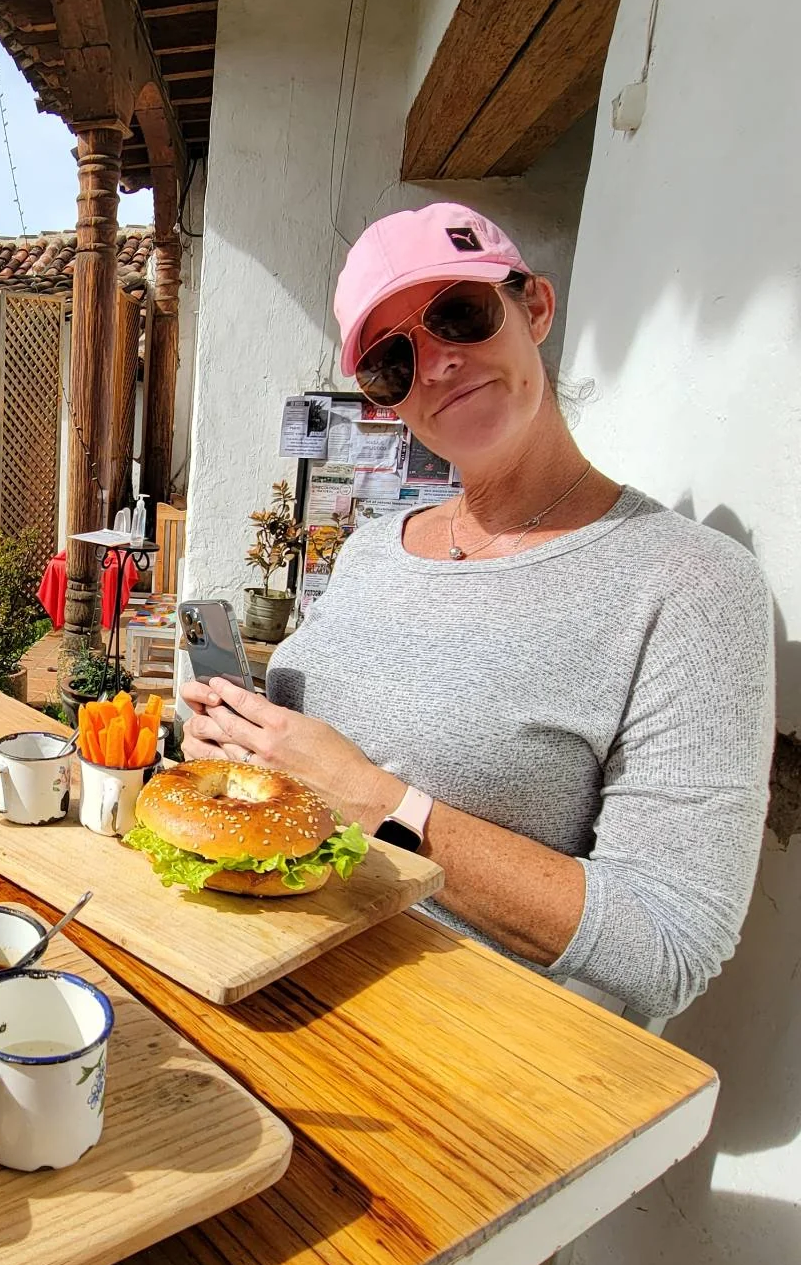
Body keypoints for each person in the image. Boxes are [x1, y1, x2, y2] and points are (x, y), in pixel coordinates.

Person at [182, 202, 774, 1021]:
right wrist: (235, 744)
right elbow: (306, 768)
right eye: (392, 362)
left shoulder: (690, 583)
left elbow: (668, 940)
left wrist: (384, 808)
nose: (434, 367)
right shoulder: (372, 548)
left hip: (466, 1071)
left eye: (457, 315)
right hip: (271, 984)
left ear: (533, 308)